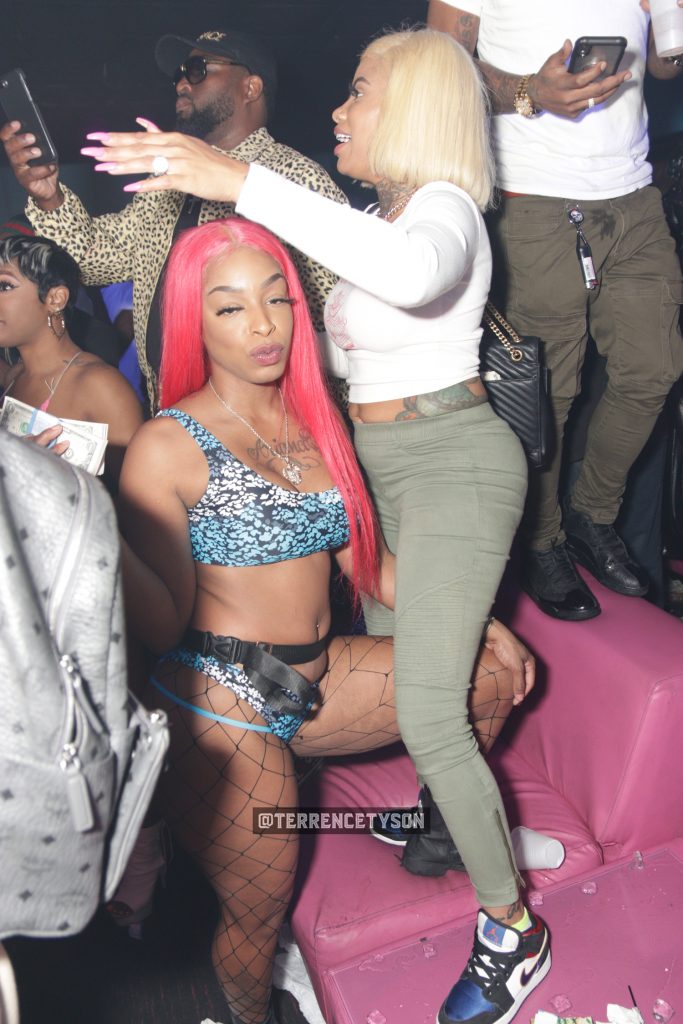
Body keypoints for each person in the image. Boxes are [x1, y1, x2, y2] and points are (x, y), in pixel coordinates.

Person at [84, 27, 548, 1024]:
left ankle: (448, 852)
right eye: (228, 308)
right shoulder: (168, 443)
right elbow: (157, 627)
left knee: (476, 682)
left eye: (275, 301)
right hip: (223, 696)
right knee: (259, 906)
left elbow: (366, 562)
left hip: (321, 673)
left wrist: (466, 620)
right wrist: (96, 523)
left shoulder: (318, 421)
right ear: (191, 319)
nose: (260, 326)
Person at [428, 0, 683, 621]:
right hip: (535, 199)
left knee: (654, 369)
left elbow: (664, 65)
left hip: (634, 197)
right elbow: (440, 67)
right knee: (550, 395)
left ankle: (591, 515)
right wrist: (529, 92)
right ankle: (541, 543)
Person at [0, 27, 346, 411]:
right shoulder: (166, 183)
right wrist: (49, 196)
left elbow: (340, 321)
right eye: (181, 73)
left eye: (198, 70)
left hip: (267, 416)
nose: (182, 83)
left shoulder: (295, 178)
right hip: (171, 408)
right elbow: (95, 258)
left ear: (250, 87)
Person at [0, 234, 143, 490]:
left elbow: (140, 500)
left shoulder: (100, 386)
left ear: (55, 299)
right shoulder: (15, 377)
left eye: (5, 286)